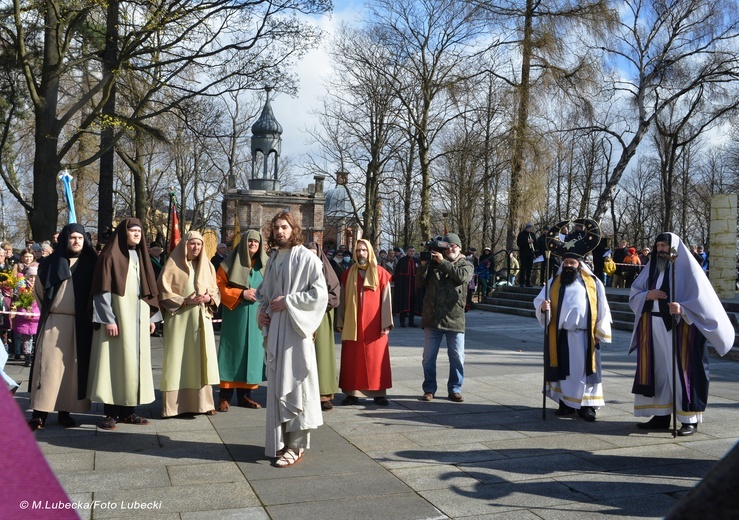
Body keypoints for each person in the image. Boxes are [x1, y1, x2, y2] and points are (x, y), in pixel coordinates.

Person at [629, 232, 733, 436]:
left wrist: (683, 309)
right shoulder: (651, 268)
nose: (660, 249)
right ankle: (661, 415)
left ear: (674, 248)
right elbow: (635, 292)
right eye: (658, 245)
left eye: (664, 245)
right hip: (653, 326)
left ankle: (689, 419)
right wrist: (646, 295)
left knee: (681, 372)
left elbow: (704, 303)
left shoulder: (689, 270)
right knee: (658, 371)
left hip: (681, 328)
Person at [256, 212, 327, 468]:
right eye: (275, 227)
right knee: (278, 386)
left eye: (284, 227)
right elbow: (265, 295)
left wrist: (289, 301)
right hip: (276, 330)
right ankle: (281, 441)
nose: (279, 232)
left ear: (293, 228)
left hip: (296, 331)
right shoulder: (273, 258)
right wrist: (261, 314)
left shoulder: (307, 257)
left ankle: (296, 446)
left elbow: (320, 295)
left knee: (297, 385)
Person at [88, 218, 160, 431]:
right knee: (114, 364)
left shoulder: (141, 256)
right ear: (123, 233)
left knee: (133, 366)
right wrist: (108, 319)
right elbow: (101, 291)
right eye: (133, 231)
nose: (137, 234)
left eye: (139, 231)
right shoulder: (110, 256)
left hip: (138, 322)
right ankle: (110, 413)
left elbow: (148, 291)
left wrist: (150, 318)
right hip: (118, 319)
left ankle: (129, 412)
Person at [27, 223, 97, 431]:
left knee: (70, 370)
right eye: (73, 237)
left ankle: (65, 412)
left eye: (80, 238)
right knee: (46, 368)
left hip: (79, 323)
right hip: (54, 321)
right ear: (65, 239)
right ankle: (39, 414)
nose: (76, 241)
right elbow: (39, 293)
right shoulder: (49, 263)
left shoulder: (91, 263)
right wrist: (53, 312)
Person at [534, 253, 612, 421]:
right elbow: (540, 299)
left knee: (587, 373)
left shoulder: (593, 283)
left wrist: (600, 330)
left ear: (579, 264)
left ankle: (587, 406)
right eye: (566, 262)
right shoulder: (554, 282)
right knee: (564, 371)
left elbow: (603, 306)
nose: (568, 265)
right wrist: (543, 306)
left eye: (572, 263)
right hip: (562, 335)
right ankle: (566, 403)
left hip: (586, 336)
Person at [157, 231, 220, 418]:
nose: (196, 248)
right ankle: (174, 406)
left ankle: (204, 403)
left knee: (202, 360)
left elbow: (216, 292)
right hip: (179, 319)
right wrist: (185, 300)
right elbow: (163, 292)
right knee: (178, 360)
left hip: (201, 319)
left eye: (199, 245)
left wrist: (209, 298)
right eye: (192, 244)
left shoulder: (207, 266)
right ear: (185, 245)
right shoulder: (172, 264)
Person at [416, 233, 474, 402]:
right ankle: (429, 389)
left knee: (457, 358)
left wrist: (443, 262)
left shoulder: (466, 264)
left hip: (455, 319)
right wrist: (424, 265)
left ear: (459, 248)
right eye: (447, 247)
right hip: (432, 317)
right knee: (428, 358)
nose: (450, 249)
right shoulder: (434, 264)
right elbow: (420, 283)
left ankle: (455, 389)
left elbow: (461, 277)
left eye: (453, 247)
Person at [337, 239, 393, 406]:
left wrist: (386, 323)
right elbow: (342, 299)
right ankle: (352, 393)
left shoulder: (381, 273)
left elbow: (386, 299)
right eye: (358, 250)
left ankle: (379, 393)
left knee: (376, 359)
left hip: (374, 325)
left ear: (370, 252)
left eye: (364, 250)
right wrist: (340, 321)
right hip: (353, 324)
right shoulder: (348, 274)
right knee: (352, 359)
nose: (361, 253)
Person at [216, 229, 267, 411]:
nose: (253, 244)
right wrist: (240, 293)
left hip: (256, 316)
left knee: (252, 355)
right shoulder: (229, 264)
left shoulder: (266, 264)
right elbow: (218, 285)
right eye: (250, 241)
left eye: (256, 242)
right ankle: (224, 396)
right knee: (232, 353)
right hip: (235, 314)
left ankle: (245, 396)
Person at [306, 242, 341, 411]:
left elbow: (334, 295)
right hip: (303, 317)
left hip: (322, 317)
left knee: (322, 355)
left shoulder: (327, 271)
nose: (312, 256)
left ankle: (324, 395)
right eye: (309, 253)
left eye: (314, 253)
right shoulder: (301, 270)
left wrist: (318, 305)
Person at [12, 265, 40, 367]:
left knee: (37, 339)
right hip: (25, 318)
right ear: (27, 276)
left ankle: (35, 355)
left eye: (35, 277)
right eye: (31, 276)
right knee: (26, 340)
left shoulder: (40, 287)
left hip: (36, 317)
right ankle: (27, 357)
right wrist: (25, 311)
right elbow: (18, 302)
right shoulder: (21, 287)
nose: (33, 279)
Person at [393, 245, 418, 327]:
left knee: (413, 304)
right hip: (405, 287)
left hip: (414, 287)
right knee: (404, 304)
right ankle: (402, 322)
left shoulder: (416, 261)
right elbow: (397, 274)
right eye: (410, 251)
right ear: (407, 251)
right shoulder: (402, 261)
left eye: (413, 251)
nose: (412, 253)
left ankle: (411, 321)